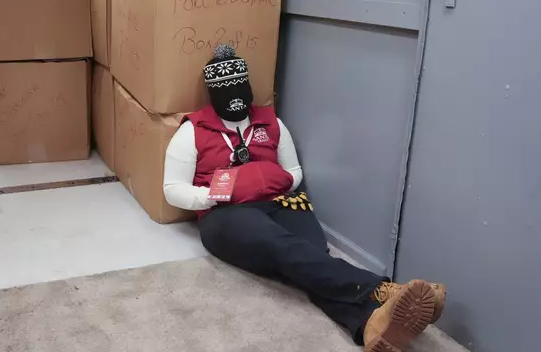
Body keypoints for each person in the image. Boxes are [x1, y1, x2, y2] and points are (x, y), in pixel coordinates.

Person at [163, 45, 446, 351]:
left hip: (280, 201)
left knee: (309, 257)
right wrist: (216, 194)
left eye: (238, 87)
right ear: (212, 93)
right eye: (224, 90)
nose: (233, 96)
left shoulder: (272, 123)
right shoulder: (193, 130)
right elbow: (172, 189)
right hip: (226, 213)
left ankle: (368, 327)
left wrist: (269, 179)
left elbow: (294, 172)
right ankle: (380, 289)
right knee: (282, 247)